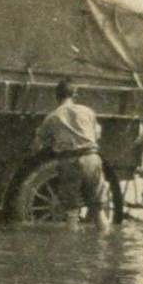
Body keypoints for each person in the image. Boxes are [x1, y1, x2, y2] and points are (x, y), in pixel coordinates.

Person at [34, 78, 104, 224]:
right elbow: (97, 134)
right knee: (98, 209)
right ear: (74, 95)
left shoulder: (53, 117)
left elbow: (38, 143)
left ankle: (73, 246)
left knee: (72, 212)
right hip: (92, 159)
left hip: (70, 161)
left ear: (57, 96)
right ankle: (103, 243)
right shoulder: (88, 111)